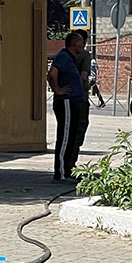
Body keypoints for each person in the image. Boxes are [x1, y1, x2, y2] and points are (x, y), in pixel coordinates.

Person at [47, 29, 86, 182]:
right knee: (64, 137)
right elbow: (52, 74)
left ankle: (67, 170)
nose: (83, 46)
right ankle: (61, 173)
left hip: (73, 102)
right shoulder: (63, 57)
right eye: (81, 43)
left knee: (70, 137)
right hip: (67, 102)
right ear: (75, 44)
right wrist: (57, 90)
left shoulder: (70, 58)